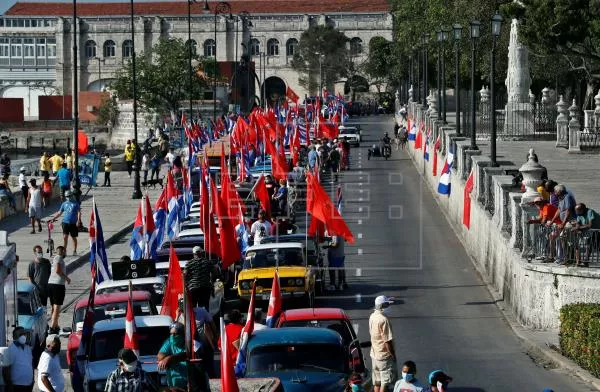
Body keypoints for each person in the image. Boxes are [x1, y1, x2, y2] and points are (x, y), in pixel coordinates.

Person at [369, 295, 397, 392]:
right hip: (384, 356)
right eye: (386, 304)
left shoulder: (372, 316)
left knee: (377, 381)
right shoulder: (384, 320)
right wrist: (393, 355)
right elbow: (387, 341)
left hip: (374, 355)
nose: (388, 306)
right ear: (382, 306)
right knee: (385, 383)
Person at [528, 196, 561, 262]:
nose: (537, 205)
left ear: (542, 202)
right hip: (554, 225)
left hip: (559, 225)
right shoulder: (541, 208)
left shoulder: (546, 207)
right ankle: (549, 256)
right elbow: (541, 219)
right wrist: (532, 221)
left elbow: (544, 220)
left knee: (552, 239)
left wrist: (540, 222)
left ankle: (553, 257)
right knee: (550, 239)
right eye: (536, 204)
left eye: (539, 203)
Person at [549, 184, 576, 265]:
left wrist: (563, 223)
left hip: (570, 221)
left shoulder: (567, 197)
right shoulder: (561, 198)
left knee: (563, 237)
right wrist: (552, 220)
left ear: (559, 191)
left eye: (555, 191)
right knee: (558, 237)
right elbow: (559, 210)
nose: (554, 193)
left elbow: (568, 210)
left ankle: (567, 258)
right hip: (564, 222)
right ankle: (562, 257)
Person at [47, 246, 70, 334]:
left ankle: (56, 325)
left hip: (51, 284)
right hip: (58, 285)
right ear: (63, 251)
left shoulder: (55, 258)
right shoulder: (59, 258)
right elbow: (58, 270)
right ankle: (52, 327)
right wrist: (67, 278)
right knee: (57, 306)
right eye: (65, 251)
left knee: (54, 306)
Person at [157, 322, 187, 390]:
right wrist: (166, 359)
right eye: (171, 334)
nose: (172, 336)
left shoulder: (189, 342)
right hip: (173, 386)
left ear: (182, 334)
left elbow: (187, 354)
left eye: (175, 334)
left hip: (189, 384)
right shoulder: (169, 341)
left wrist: (170, 358)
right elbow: (160, 356)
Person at [3, 327, 34, 392]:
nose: (23, 336)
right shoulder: (9, 350)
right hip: (16, 386)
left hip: (28, 385)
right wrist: (9, 386)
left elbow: (30, 365)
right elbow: (5, 370)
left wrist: (32, 380)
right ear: (14, 337)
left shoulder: (28, 348)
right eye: (20, 334)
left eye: (24, 334)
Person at [184, 246, 215, 310]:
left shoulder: (189, 263)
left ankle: (195, 319)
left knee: (193, 308)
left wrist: (186, 284)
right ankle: (205, 319)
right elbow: (214, 273)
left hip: (193, 288)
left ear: (193, 254)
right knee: (204, 307)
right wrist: (211, 283)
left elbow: (185, 276)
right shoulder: (208, 262)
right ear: (201, 253)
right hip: (205, 288)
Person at [52, 190, 81, 255]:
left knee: (73, 237)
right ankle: (64, 251)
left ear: (71, 195)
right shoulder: (64, 204)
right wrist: (53, 218)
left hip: (73, 223)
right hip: (65, 222)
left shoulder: (76, 203)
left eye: (69, 196)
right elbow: (60, 212)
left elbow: (79, 212)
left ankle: (75, 250)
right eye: (67, 196)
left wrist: (78, 220)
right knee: (65, 237)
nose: (68, 197)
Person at [573, 203, 600, 267]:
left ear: (583, 209)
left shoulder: (589, 212)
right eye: (576, 210)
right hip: (590, 232)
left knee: (591, 245)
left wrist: (578, 228)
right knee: (581, 245)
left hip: (597, 230)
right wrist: (577, 229)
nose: (576, 212)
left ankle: (586, 261)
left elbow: (589, 225)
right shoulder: (579, 215)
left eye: (578, 210)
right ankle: (580, 261)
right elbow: (578, 224)